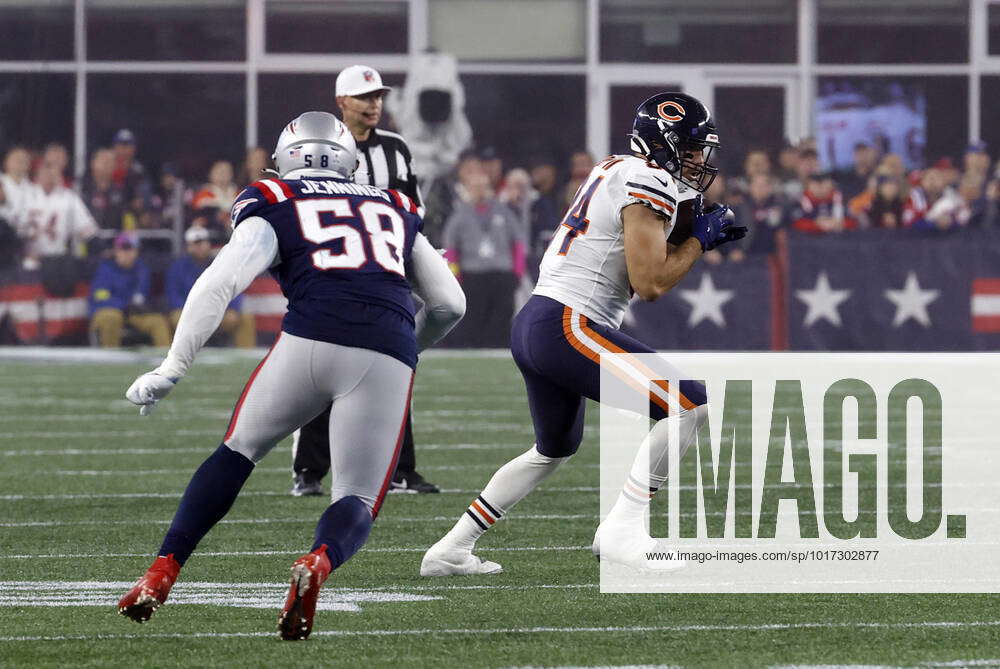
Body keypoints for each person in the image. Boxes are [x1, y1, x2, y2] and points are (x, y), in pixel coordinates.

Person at [116, 111, 465, 640]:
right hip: (386, 347)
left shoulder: (274, 197)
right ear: (348, 158)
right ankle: (319, 562)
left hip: (308, 338)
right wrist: (399, 350)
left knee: (237, 450)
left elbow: (220, 283)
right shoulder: (393, 203)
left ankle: (162, 570)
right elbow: (449, 305)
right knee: (356, 497)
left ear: (285, 158)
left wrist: (173, 366)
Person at [421, 92, 746, 576]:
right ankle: (622, 530)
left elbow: (622, 244)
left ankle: (450, 548)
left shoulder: (616, 168)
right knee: (688, 403)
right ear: (665, 144)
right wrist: (698, 240)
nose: (701, 160)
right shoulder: (649, 179)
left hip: (540, 318)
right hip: (566, 323)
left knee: (552, 448)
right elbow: (650, 283)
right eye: (694, 148)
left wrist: (688, 232)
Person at [289, 64, 438, 497]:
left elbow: (415, 208)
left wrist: (418, 250)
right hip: (332, 273)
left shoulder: (395, 147)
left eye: (377, 97)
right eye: (364, 97)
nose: (374, 104)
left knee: (396, 362)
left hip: (388, 272)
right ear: (341, 103)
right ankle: (309, 471)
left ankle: (400, 471)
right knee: (324, 368)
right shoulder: (318, 148)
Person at [441, 165, 525, 347]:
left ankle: (498, 350)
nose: (479, 191)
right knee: (474, 320)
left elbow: (518, 242)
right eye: (475, 187)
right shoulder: (460, 215)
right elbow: (451, 249)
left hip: (502, 274)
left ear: (490, 188)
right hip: (473, 275)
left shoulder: (503, 211)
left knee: (502, 318)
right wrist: (455, 275)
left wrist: (517, 272)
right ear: (468, 189)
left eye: (483, 186)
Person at [166, 226, 256, 347]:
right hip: (189, 313)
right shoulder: (177, 267)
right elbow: (173, 296)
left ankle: (246, 358)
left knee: (244, 318)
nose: (201, 246)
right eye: (196, 243)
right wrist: (193, 312)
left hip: (217, 313)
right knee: (177, 318)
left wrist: (231, 308)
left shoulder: (222, 263)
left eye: (204, 241)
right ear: (188, 246)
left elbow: (235, 289)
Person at [89, 232, 171, 347]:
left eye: (131, 249)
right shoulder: (105, 269)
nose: (127, 253)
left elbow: (141, 293)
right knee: (111, 317)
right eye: (123, 248)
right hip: (108, 310)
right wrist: (123, 305)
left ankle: (167, 361)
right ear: (116, 251)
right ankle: (110, 358)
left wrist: (139, 305)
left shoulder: (142, 269)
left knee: (158, 321)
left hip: (133, 313)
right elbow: (100, 297)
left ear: (137, 251)